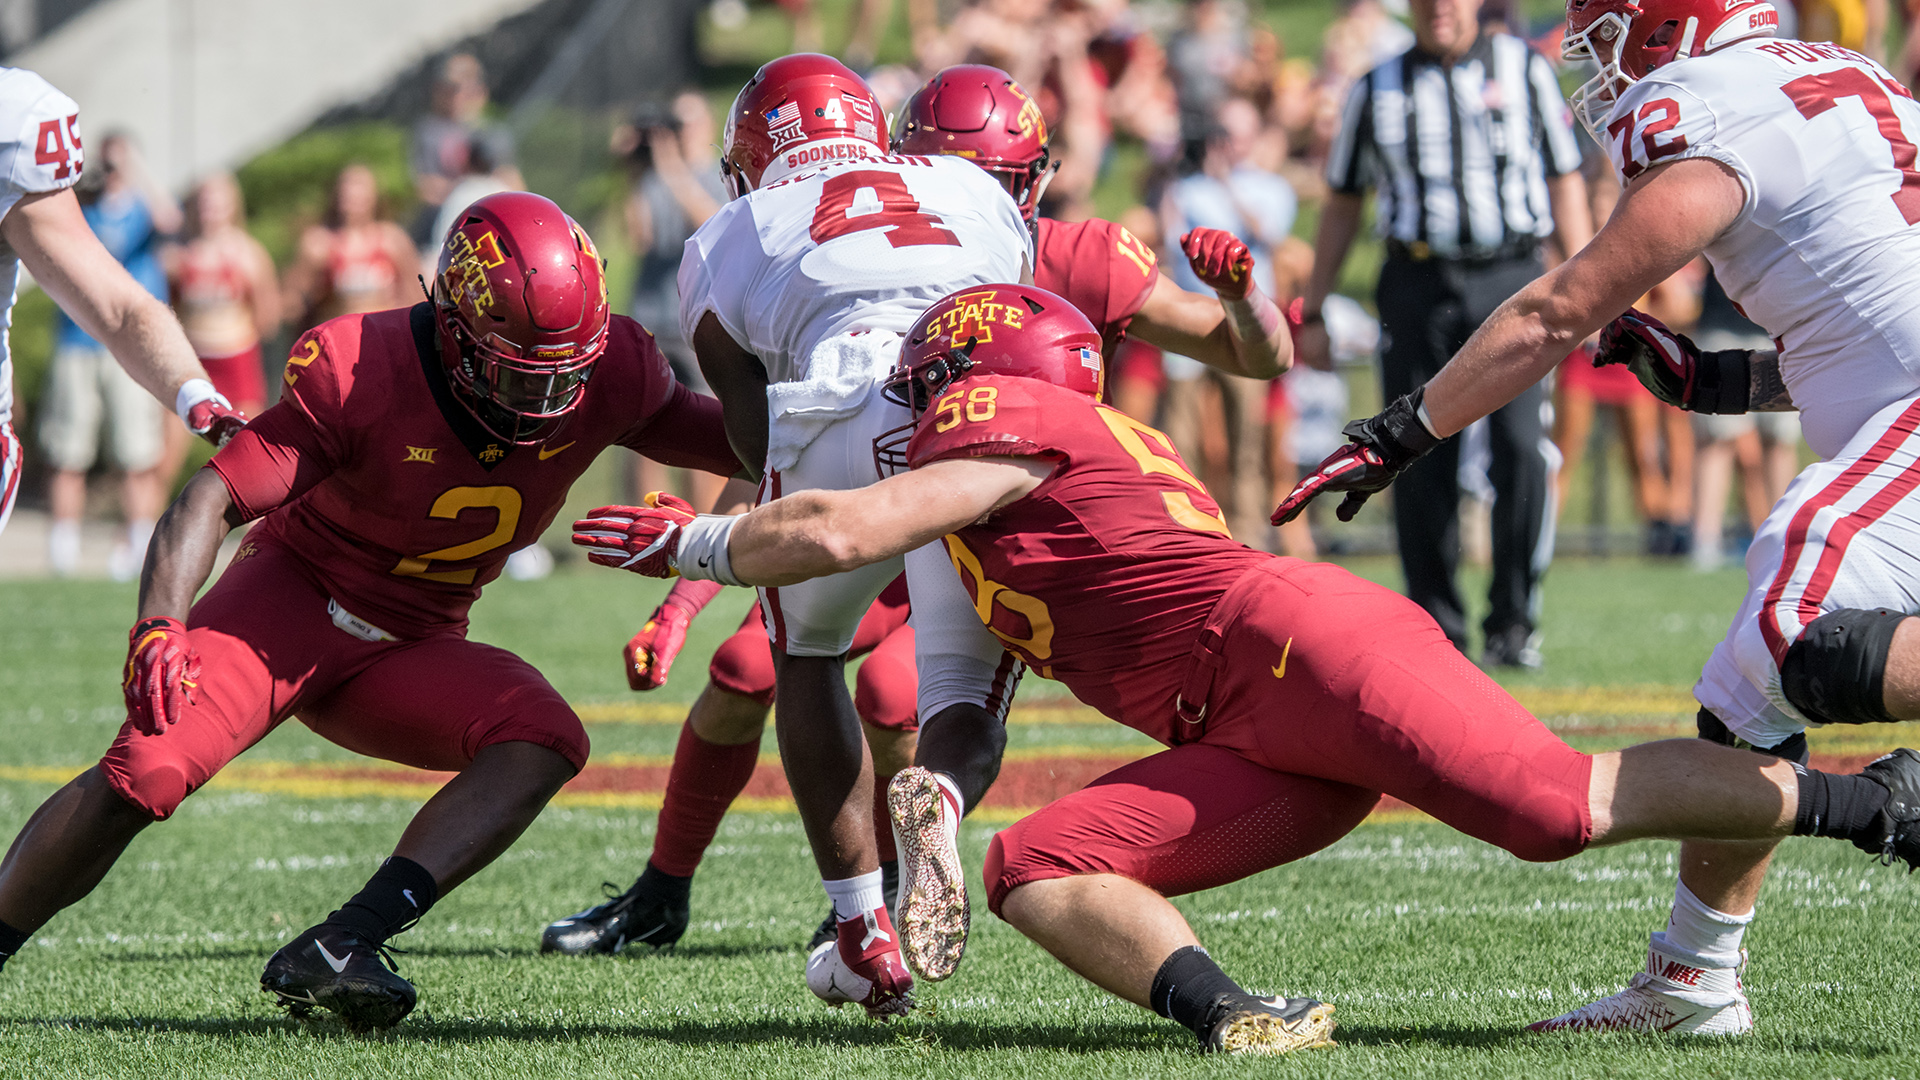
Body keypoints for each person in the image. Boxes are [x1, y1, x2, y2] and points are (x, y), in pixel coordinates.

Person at [571, 282, 1920, 1055]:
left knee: (1554, 811)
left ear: (972, 375)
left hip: (1298, 650)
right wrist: (941, 791)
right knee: (1035, 863)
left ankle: (1882, 804)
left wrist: (692, 544)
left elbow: (838, 529)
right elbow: (962, 706)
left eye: (931, 385)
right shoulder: (975, 517)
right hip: (1241, 726)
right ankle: (1236, 1020)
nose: (919, 404)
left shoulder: (1003, 425)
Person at [540, 63, 1297, 961]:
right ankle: (688, 886)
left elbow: (780, 436)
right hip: (981, 446)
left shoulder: (779, 228)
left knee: (862, 680)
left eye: (1008, 179)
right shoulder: (980, 220)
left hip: (897, 463)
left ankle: (864, 910)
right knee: (765, 669)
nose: (1003, 192)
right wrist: (685, 604)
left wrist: (696, 559)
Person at [1275, 0, 1920, 1035]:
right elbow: (1866, 327)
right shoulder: (1842, 79)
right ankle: (1694, 980)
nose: (1603, 69)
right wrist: (1716, 382)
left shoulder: (1711, 103)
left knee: (1793, 625)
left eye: (1611, 37)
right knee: (1746, 702)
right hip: (1905, 403)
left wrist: (1404, 430)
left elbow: (1555, 308)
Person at [0, 193, 740, 1031]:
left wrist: (727, 517)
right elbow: (210, 497)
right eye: (516, 372)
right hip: (289, 609)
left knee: (543, 739)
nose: (548, 398)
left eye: (567, 373)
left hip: (414, 643)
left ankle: (345, 941)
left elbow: (749, 442)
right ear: (455, 330)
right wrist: (159, 626)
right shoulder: (360, 367)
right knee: (147, 775)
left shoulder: (612, 372)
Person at [671, 53, 1034, 1018]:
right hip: (975, 405)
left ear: (754, 152)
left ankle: (861, 925)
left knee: (808, 654)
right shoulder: (964, 182)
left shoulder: (725, 232)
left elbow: (749, 426)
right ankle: (941, 805)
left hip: (839, 404)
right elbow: (1018, 317)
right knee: (966, 689)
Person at [1301, 0, 1594, 668]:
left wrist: (1585, 288)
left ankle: (1514, 622)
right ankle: (1436, 627)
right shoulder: (1376, 86)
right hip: (1418, 282)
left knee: (1521, 448)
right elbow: (1343, 199)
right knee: (1414, 452)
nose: (1440, 8)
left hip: (1512, 279)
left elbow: (1563, 179)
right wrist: (1314, 305)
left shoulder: (1524, 69)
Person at [39, 132, 181, 578]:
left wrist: (135, 168)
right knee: (67, 450)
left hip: (130, 344)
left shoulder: (143, 205)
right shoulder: (79, 206)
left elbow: (172, 220)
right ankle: (63, 548)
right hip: (78, 342)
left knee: (135, 452)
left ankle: (136, 543)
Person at [1162, 95, 1300, 542]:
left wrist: (1226, 187)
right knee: (1179, 432)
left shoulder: (1271, 188)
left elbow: (1268, 235)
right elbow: (1171, 243)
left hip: (1244, 324)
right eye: (1222, 135)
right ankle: (1185, 528)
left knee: (1248, 434)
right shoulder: (1186, 188)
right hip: (1189, 317)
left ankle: (1249, 530)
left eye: (1237, 136)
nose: (1228, 145)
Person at [166, 173, 280, 428]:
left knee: (247, 441)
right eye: (204, 202)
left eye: (218, 202)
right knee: (167, 443)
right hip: (192, 360)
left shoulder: (249, 253)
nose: (210, 209)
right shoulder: (178, 255)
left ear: (232, 205)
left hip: (236, 361)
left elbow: (269, 317)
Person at [283, 164, 419, 332]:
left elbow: (416, 296)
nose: (352, 194)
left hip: (386, 338)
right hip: (339, 339)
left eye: (360, 187)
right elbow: (292, 303)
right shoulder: (319, 244)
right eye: (347, 187)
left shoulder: (392, 241)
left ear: (375, 195)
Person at [409, 54, 518, 249]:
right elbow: (424, 187)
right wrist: (464, 190)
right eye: (452, 88)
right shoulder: (429, 132)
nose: (459, 95)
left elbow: (511, 181)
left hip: (488, 220)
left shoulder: (492, 132)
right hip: (443, 221)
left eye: (467, 88)